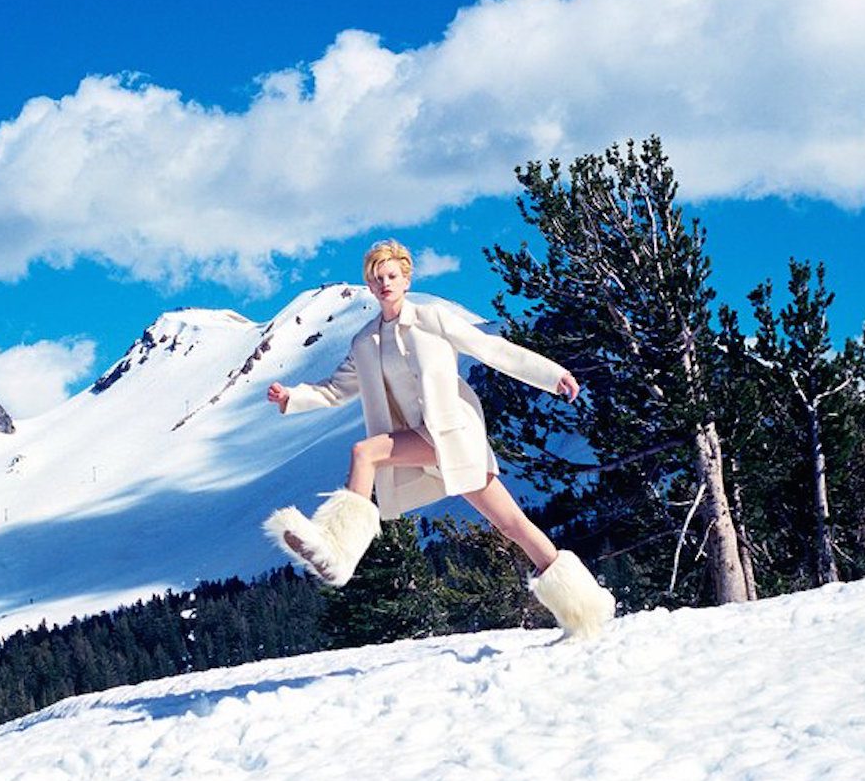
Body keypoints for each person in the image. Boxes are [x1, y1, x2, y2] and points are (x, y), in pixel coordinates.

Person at [263, 239, 615, 639]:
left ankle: (339, 551)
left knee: (371, 455)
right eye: (377, 279)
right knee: (510, 524)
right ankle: (585, 611)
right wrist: (293, 397)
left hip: (452, 434)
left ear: (405, 279)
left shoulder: (432, 320)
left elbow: (491, 349)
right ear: (370, 285)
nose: (384, 284)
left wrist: (551, 375)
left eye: (391, 276)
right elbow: (335, 389)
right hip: (418, 441)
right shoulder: (365, 341)